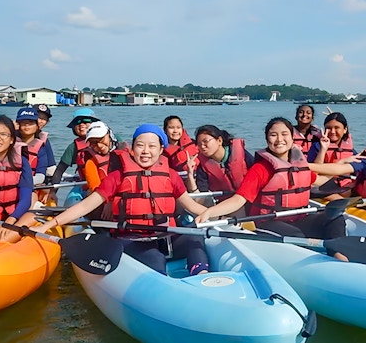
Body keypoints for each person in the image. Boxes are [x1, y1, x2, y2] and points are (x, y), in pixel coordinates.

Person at [32, 124, 210, 276]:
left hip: (166, 236)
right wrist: (50, 224)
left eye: (152, 146)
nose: (146, 151)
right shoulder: (118, 176)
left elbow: (192, 206)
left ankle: (200, 274)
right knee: (155, 256)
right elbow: (85, 205)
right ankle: (161, 285)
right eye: (140, 145)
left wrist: (216, 215)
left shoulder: (170, 175)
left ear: (161, 149)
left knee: (195, 238)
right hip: (133, 240)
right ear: (132, 148)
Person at [194, 117, 348, 261]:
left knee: (335, 216)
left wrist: (347, 167)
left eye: (284, 134)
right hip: (268, 221)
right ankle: (314, 260)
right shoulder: (260, 169)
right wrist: (209, 212)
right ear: (267, 139)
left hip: (299, 218)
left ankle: (339, 256)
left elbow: (318, 180)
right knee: (296, 235)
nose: (279, 139)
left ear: (292, 137)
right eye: (273, 135)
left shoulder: (299, 165)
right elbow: (238, 199)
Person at [185, 125, 254, 215]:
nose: (202, 146)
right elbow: (201, 199)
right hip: (228, 207)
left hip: (251, 199)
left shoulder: (242, 154)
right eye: (199, 144)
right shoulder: (203, 166)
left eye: (205, 141)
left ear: (219, 141)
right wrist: (190, 174)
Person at [48, 108, 101, 205]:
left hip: (107, 184)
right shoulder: (73, 147)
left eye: (86, 121)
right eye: (77, 122)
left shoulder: (110, 139)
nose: (81, 125)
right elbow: (59, 171)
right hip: (85, 185)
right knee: (71, 202)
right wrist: (53, 192)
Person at [308, 111, 357, 200]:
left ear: (345, 129)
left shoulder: (350, 149)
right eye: (329, 128)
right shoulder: (316, 146)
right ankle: (342, 203)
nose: (333, 132)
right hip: (323, 186)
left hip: (345, 186)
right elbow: (313, 174)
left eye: (337, 128)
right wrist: (323, 149)